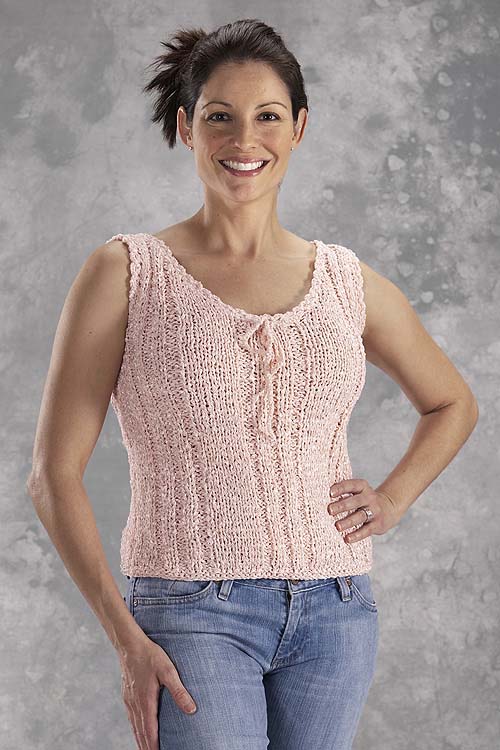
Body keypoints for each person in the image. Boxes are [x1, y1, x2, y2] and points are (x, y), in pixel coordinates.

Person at [26, 17, 479, 750]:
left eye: (268, 116)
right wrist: (124, 636)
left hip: (336, 611)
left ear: (299, 128)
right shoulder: (128, 273)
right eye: (220, 117)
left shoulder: (345, 282)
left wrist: (393, 498)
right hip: (189, 612)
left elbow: (452, 402)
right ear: (186, 127)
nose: (245, 140)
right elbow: (52, 476)